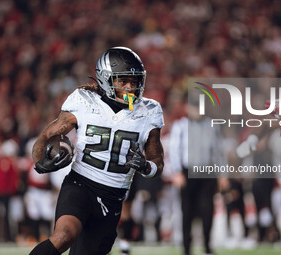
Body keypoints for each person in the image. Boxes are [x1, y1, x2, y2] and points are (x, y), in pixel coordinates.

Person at [29, 47, 164, 255]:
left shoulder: (149, 111)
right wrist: (40, 162)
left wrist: (146, 166)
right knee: (64, 235)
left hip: (114, 196)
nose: (130, 87)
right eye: (123, 81)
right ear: (106, 79)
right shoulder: (84, 100)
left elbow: (158, 161)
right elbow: (44, 137)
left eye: (134, 81)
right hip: (80, 184)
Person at [169, 99, 222, 255]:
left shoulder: (212, 125)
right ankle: (186, 248)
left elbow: (218, 151)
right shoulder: (180, 126)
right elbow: (174, 150)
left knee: (207, 210)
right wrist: (177, 172)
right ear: (187, 107)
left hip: (207, 172)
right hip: (187, 172)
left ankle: (207, 246)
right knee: (187, 211)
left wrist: (222, 174)